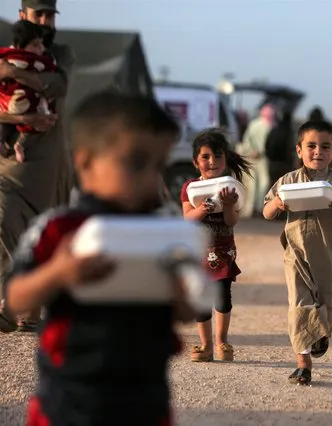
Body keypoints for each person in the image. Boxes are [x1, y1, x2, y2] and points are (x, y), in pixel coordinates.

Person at [3, 91, 194, 425]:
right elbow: (15, 295)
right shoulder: (59, 228)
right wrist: (58, 274)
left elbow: (189, 309)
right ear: (86, 161)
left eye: (158, 165)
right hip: (68, 401)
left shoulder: (163, 231)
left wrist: (181, 292)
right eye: (136, 162)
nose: (152, 178)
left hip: (145, 398)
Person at [263, 120, 332, 386]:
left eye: (325, 146)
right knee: (298, 305)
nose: (317, 151)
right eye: (311, 146)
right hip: (296, 256)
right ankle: (303, 364)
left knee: (326, 305)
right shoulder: (287, 181)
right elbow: (266, 211)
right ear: (299, 150)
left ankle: (321, 332)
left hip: (331, 258)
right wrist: (278, 202)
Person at [0, 0, 75, 334]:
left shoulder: (60, 53)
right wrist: (22, 118)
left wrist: (12, 71)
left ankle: (30, 311)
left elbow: (56, 85)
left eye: (49, 15)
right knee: (4, 222)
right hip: (11, 160)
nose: (45, 21)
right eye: (38, 14)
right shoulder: (7, 51)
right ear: (22, 16)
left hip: (50, 162)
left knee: (46, 234)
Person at [180, 129, 252, 362]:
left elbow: (232, 221)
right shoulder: (190, 188)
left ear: (226, 159)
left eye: (218, 156)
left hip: (222, 252)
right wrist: (203, 208)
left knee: (222, 296)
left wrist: (228, 205)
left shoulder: (231, 187)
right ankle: (206, 345)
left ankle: (222, 342)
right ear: (195, 161)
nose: (212, 162)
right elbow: (187, 218)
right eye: (206, 157)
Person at [0, 19, 57, 163]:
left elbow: (43, 85)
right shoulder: (15, 59)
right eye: (35, 45)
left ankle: (18, 145)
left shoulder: (37, 62)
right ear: (20, 45)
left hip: (21, 103)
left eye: (41, 44)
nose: (40, 49)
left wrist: (13, 72)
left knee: (31, 125)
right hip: (13, 101)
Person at [238, 104, 274, 218]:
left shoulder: (255, 124)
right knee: (261, 183)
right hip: (258, 158)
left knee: (255, 183)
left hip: (254, 157)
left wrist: (250, 151)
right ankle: (257, 208)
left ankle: (253, 209)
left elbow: (246, 140)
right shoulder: (269, 125)